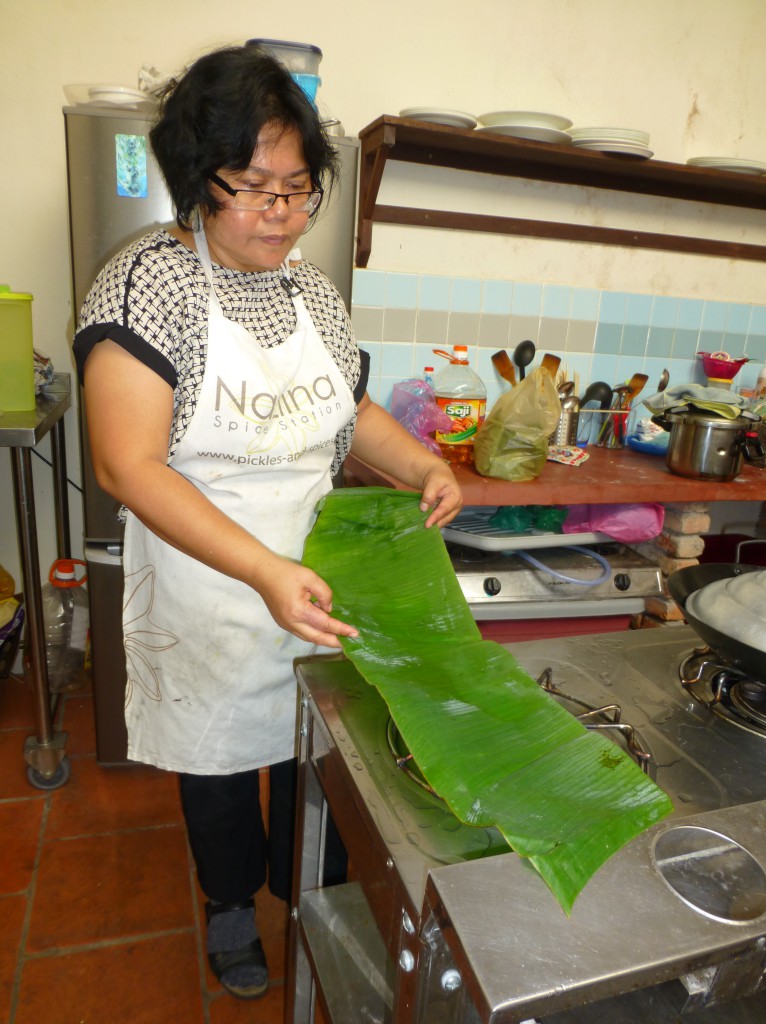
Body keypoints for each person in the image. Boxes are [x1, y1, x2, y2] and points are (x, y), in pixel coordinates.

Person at [74, 43, 463, 1001]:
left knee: (313, 752)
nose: (280, 215)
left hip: (316, 573)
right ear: (196, 178)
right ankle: (230, 904)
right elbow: (125, 464)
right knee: (216, 762)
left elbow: (350, 408)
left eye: (297, 192)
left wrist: (421, 462)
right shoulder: (146, 285)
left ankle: (311, 890)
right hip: (211, 580)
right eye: (253, 188)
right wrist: (258, 571)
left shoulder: (312, 292)